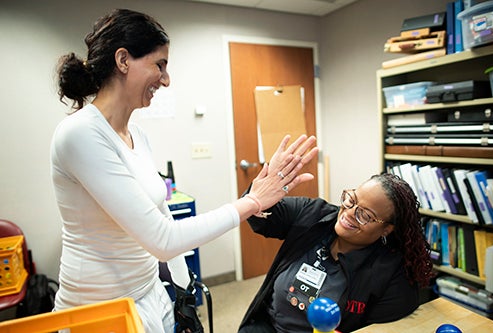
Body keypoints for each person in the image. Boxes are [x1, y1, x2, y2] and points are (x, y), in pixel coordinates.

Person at [51, 8, 319, 333]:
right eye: (159, 65)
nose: (166, 80)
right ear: (123, 60)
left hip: (149, 295)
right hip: (98, 310)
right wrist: (251, 202)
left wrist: (183, 294)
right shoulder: (80, 134)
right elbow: (163, 240)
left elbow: (164, 217)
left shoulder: (139, 137)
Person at [238, 172, 434, 333]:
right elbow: (259, 219)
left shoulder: (392, 273)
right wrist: (260, 191)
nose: (349, 213)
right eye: (351, 200)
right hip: (266, 327)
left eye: (365, 215)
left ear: (386, 229)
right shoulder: (313, 214)